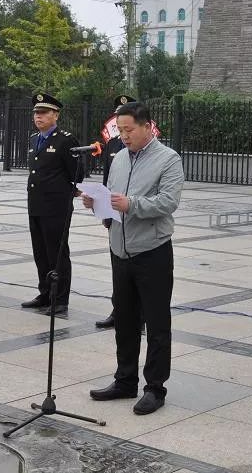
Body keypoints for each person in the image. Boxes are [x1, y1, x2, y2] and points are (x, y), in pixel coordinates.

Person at [86, 101, 184, 415]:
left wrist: (132, 204)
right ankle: (125, 379)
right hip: (120, 249)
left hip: (152, 250)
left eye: (129, 130)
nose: (124, 136)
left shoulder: (169, 159)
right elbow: (112, 198)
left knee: (156, 322)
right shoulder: (118, 159)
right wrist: (98, 203)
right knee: (125, 320)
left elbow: (168, 202)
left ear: (147, 126)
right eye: (120, 130)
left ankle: (155, 387)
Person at [21, 93, 80, 316]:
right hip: (36, 205)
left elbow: (76, 172)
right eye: (36, 112)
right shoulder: (34, 139)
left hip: (56, 207)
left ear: (55, 115)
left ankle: (60, 299)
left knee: (57, 253)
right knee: (40, 252)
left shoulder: (65, 140)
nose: (39, 116)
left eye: (44, 112)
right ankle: (44, 292)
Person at [95, 94, 136, 330]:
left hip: (134, 216)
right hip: (115, 217)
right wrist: (103, 209)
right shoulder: (111, 144)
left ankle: (137, 315)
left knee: (136, 270)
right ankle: (118, 309)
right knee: (117, 268)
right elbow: (107, 180)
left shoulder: (142, 147)